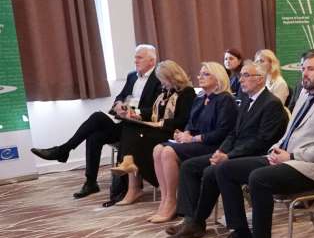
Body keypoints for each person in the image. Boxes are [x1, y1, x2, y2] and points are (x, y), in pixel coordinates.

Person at [213, 51, 314, 238]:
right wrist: (277, 148)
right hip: (285, 159)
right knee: (225, 169)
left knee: (259, 178)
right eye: (303, 68)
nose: (304, 73)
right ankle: (240, 232)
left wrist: (291, 156)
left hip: (310, 169)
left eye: (310, 69)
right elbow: (290, 132)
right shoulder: (304, 95)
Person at [166, 61, 288, 238]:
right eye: (241, 75)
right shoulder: (246, 99)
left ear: (260, 79)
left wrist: (228, 156)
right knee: (190, 166)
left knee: (213, 171)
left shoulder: (271, 104)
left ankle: (201, 223)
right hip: (236, 151)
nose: (241, 80)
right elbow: (233, 133)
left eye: (246, 75)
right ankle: (191, 220)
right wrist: (220, 151)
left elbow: (261, 141)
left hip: (256, 156)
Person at [31, 44, 161, 199]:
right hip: (124, 123)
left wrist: (134, 112)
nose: (135, 61)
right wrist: (118, 104)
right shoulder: (132, 76)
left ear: (152, 61)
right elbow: (121, 96)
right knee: (95, 132)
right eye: (135, 57)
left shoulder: (159, 78)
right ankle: (90, 182)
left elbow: (157, 109)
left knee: (96, 124)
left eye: (139, 58)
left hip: (141, 127)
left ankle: (62, 151)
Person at [148, 62, 237, 223]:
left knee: (168, 152)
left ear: (218, 78)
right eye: (200, 74)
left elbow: (222, 132)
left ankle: (172, 202)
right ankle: (165, 198)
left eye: (206, 74)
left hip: (213, 146)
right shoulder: (200, 98)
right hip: (196, 143)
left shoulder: (225, 99)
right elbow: (190, 123)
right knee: (157, 149)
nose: (200, 77)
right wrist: (185, 133)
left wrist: (193, 138)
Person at [111, 60, 197, 206]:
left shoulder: (187, 92)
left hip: (173, 131)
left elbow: (184, 119)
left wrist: (161, 123)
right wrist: (138, 114)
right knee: (130, 127)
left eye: (163, 79)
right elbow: (154, 111)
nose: (161, 83)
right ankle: (130, 170)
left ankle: (132, 175)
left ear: (172, 77)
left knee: (139, 140)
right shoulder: (166, 91)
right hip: (159, 128)